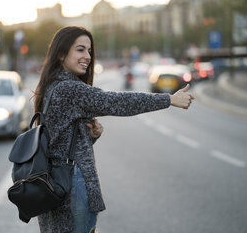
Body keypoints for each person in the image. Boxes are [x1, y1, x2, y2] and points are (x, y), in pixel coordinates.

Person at [33, 26, 194, 233]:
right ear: (62, 53)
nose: (87, 56)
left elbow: (58, 143)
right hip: (71, 183)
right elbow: (116, 102)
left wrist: (88, 136)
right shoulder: (68, 88)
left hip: (57, 182)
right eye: (80, 50)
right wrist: (169, 99)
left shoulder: (53, 85)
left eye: (89, 51)